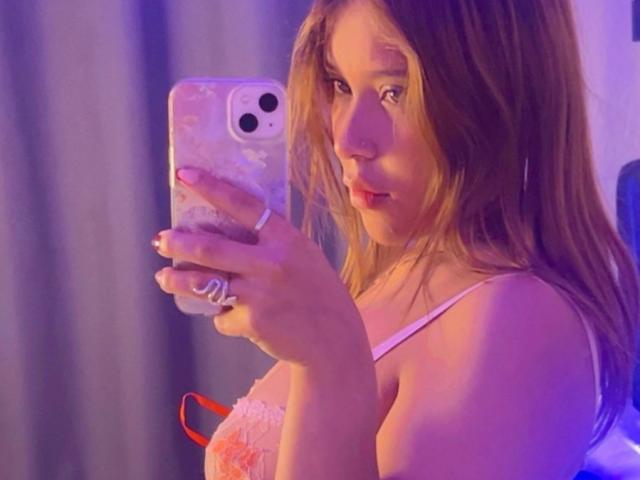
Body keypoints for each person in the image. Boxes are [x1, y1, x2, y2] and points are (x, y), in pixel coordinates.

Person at [152, 0, 640, 478]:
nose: (347, 139)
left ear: (502, 93)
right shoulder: (409, 271)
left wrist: (328, 361)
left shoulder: (518, 319)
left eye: (394, 91)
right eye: (340, 84)